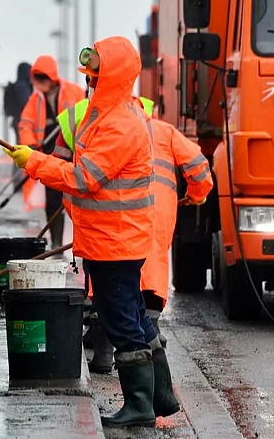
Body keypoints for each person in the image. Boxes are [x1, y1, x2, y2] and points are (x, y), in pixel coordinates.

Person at [4, 36, 174, 427]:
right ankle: (160, 397)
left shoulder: (120, 124)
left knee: (122, 322)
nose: (90, 81)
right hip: (112, 238)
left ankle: (140, 407)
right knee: (134, 314)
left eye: (95, 75)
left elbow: (83, 178)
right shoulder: (108, 113)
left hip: (115, 242)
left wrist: (35, 162)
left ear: (111, 76)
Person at [54, 93, 211, 382]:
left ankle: (108, 354)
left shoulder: (89, 124)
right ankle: (152, 356)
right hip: (156, 215)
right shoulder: (163, 130)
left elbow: (70, 177)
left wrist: (78, 216)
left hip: (110, 218)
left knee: (108, 283)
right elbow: (199, 167)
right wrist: (197, 196)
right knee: (149, 272)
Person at [17, 55, 85, 248]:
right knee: (53, 198)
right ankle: (56, 243)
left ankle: (82, 243)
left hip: (73, 153)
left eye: (43, 78)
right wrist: (30, 145)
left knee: (79, 200)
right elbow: (25, 124)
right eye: (36, 79)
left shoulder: (74, 92)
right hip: (49, 154)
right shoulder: (35, 99)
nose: (39, 83)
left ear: (52, 77)